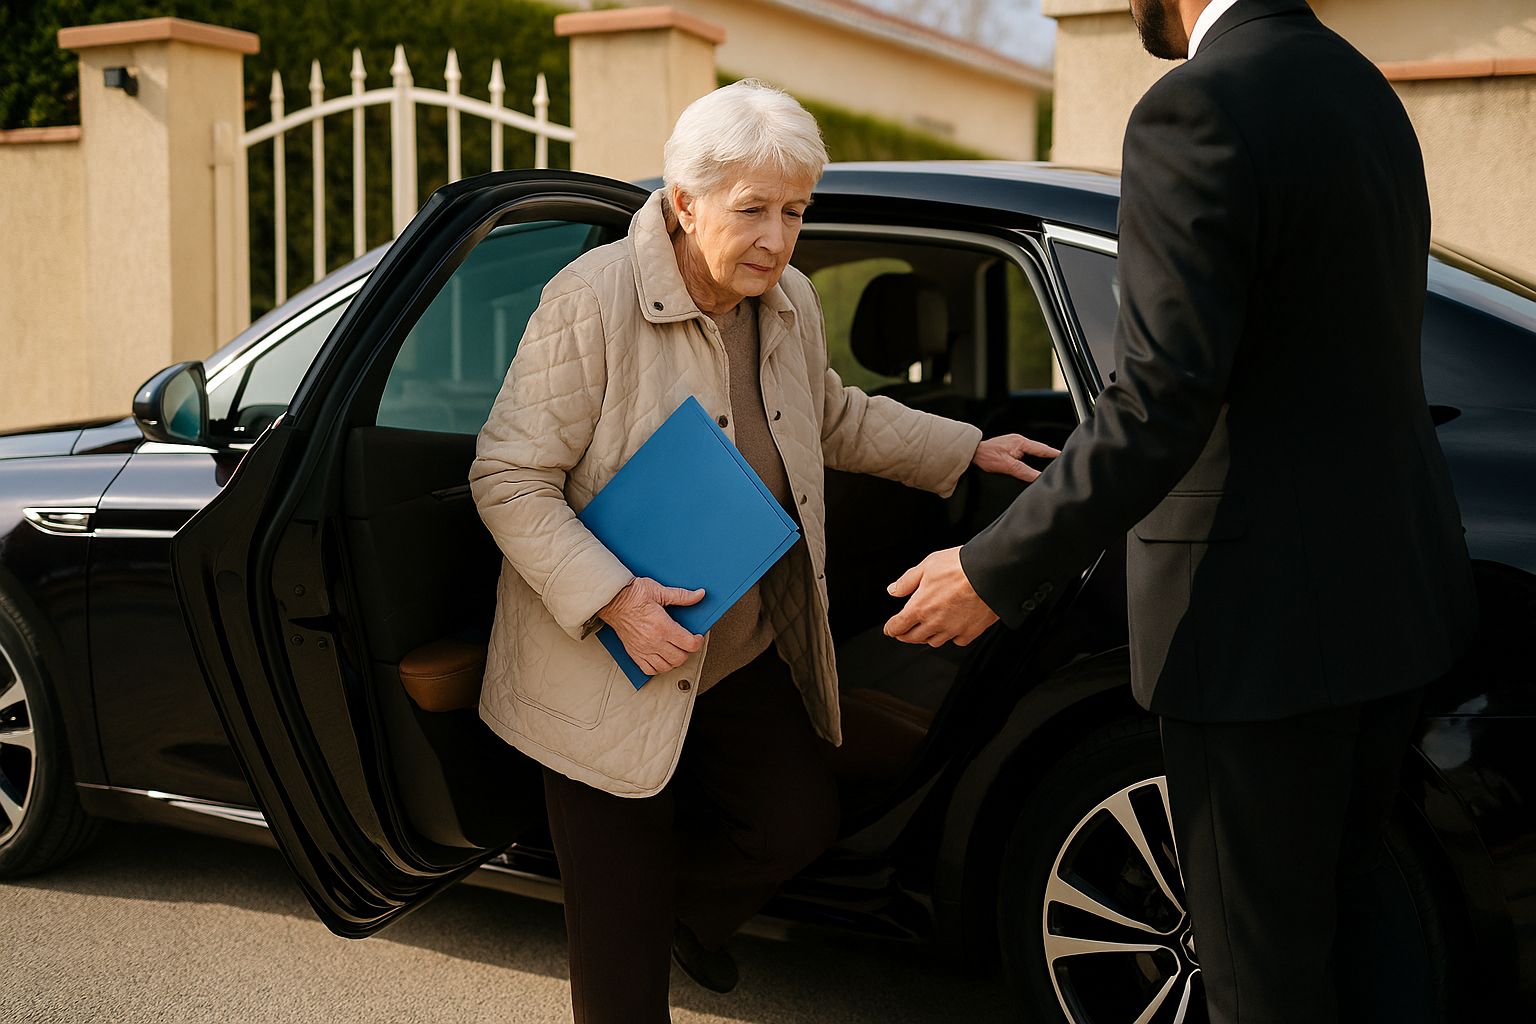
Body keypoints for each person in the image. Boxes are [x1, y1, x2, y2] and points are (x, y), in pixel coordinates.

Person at [882, 2, 1478, 1021]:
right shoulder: (1362, 90)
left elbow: (1158, 401)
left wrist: (990, 568)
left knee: (1257, 977)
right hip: (1390, 604)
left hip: (1254, 631)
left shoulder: (1195, 106)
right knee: (1360, 941)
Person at [468, 78, 1058, 1024]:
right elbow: (506, 479)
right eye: (753, 211)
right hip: (602, 664)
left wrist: (966, 448)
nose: (778, 240)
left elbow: (830, 415)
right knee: (618, 978)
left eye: (794, 211)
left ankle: (681, 921)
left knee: (795, 823)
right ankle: (633, 944)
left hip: (732, 644)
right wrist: (616, 597)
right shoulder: (591, 299)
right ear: (684, 200)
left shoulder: (785, 302)